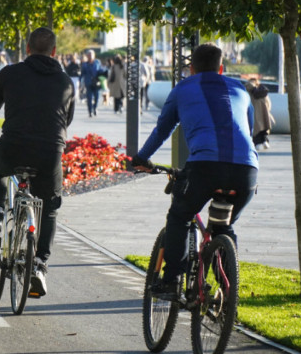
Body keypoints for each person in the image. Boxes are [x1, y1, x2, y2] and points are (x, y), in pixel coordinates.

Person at [131, 43, 258, 300]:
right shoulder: (240, 89)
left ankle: (171, 281)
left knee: (180, 216)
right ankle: (227, 291)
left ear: (191, 69)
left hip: (205, 167)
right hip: (247, 169)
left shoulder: (183, 89)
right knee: (223, 226)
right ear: (221, 68)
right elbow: (250, 129)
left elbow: (162, 129)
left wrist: (142, 158)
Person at [0, 27, 75, 297]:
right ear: (54, 52)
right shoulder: (65, 82)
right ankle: (39, 265)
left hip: (14, 146)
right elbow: (67, 120)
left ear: (27, 49)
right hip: (50, 151)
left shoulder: (10, 73)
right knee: (49, 206)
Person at [245, 78, 274, 150]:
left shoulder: (248, 91)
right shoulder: (263, 91)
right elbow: (268, 104)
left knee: (255, 129)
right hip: (264, 114)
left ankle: (258, 144)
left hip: (253, 114)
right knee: (263, 129)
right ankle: (264, 141)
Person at [80, 50, 106, 117]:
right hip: (88, 83)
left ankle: (95, 108)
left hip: (96, 82)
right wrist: (80, 82)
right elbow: (82, 74)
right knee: (89, 98)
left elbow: (100, 70)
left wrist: (103, 74)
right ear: (87, 56)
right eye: (89, 55)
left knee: (97, 97)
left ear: (94, 55)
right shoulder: (85, 64)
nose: (90, 56)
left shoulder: (97, 62)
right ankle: (90, 111)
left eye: (91, 55)